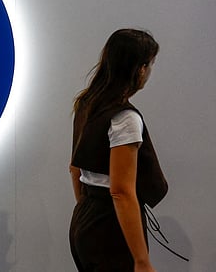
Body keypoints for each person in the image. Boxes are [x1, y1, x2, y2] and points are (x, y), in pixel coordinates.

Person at [68, 29, 168, 271]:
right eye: (150, 64)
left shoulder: (87, 104)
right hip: (111, 228)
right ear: (140, 69)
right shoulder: (125, 118)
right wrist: (142, 260)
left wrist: (87, 209)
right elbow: (121, 192)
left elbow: (74, 169)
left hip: (84, 219)